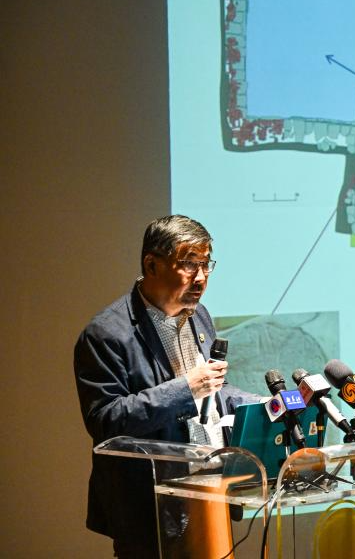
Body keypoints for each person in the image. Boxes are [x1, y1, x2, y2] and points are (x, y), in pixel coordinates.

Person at [74, 215, 257, 558]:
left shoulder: (200, 316)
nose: (200, 277)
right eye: (189, 263)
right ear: (152, 265)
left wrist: (263, 403)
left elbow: (214, 390)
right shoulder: (106, 334)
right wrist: (185, 388)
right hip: (152, 510)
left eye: (206, 264)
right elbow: (105, 420)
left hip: (211, 495)